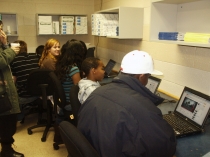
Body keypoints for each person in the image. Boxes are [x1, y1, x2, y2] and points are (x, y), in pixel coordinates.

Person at [77, 50, 177, 157]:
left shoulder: (97, 92)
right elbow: (166, 146)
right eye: (148, 77)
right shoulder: (142, 106)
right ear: (142, 76)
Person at [0, 20, 24, 157]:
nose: (2, 32)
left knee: (8, 122)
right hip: (2, 93)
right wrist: (9, 49)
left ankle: (7, 149)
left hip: (6, 89)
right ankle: (7, 151)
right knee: (6, 123)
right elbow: (2, 61)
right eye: (0, 29)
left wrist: (4, 45)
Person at [10, 40, 40, 120]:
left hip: (25, 96)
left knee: (12, 96)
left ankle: (19, 118)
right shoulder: (35, 56)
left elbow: (14, 80)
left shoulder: (13, 60)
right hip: (40, 93)